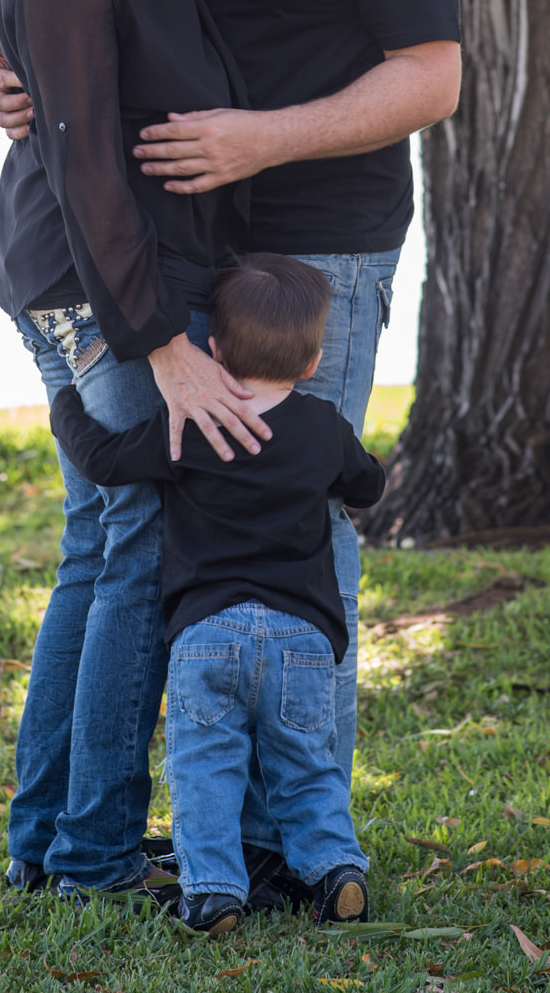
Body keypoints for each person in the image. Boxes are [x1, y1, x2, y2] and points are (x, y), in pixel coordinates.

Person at [0, 0, 462, 907]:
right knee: (144, 530)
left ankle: (293, 838)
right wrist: (20, 61)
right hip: (187, 252)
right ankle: (120, 839)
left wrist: (264, 136)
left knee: (295, 527)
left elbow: (435, 74)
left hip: (323, 249)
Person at [0, 0, 272, 903]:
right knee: (135, 550)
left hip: (95, 277)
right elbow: (89, 167)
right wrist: (163, 348)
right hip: (100, 289)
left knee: (98, 550)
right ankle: (90, 851)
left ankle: (47, 843)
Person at [49, 254, 386, 935]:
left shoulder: (193, 423)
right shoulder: (321, 427)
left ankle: (213, 891)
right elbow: (369, 486)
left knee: (205, 765)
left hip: (209, 632)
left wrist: (66, 407)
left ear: (216, 349)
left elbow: (105, 463)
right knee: (305, 762)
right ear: (314, 359)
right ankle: (336, 870)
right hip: (302, 637)